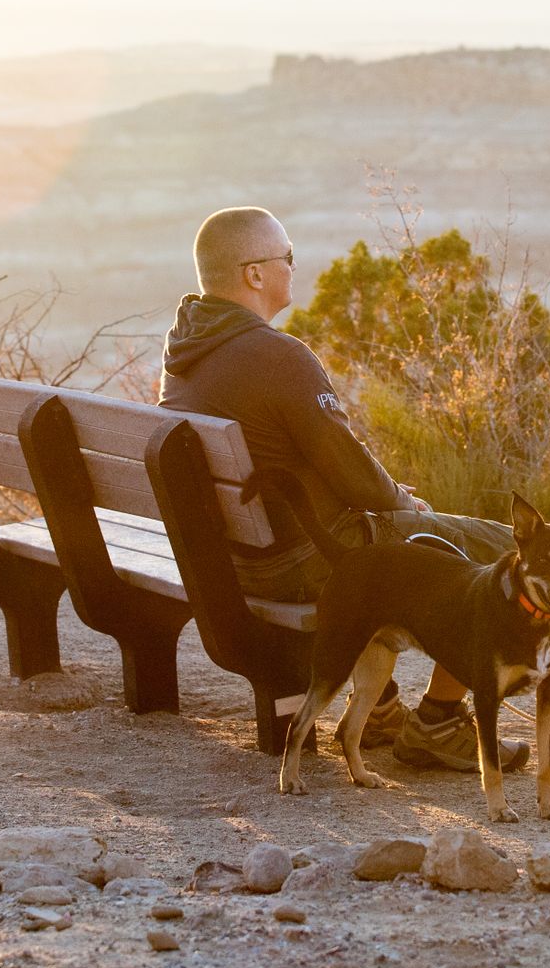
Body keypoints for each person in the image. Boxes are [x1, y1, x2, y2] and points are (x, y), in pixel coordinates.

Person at [158, 206, 530, 773]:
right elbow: (357, 478)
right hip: (303, 559)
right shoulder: (276, 356)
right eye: (287, 257)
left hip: (234, 557)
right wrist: (409, 505)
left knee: (419, 534)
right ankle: (438, 722)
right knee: (501, 554)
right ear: (253, 274)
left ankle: (379, 710)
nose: (293, 268)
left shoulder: (184, 356)